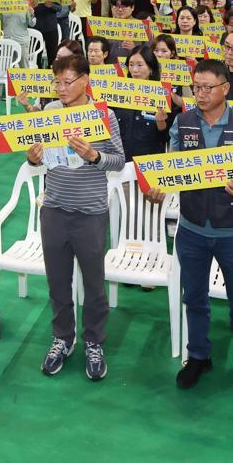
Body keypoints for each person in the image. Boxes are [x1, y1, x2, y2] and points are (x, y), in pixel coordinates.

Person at [154, 57, 233, 398]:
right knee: (195, 298)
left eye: (207, 88)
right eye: (196, 87)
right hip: (191, 228)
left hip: (232, 231)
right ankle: (198, 356)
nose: (200, 94)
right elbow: (171, 167)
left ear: (225, 89)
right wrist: (158, 186)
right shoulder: (183, 122)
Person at [24, 55, 125, 381]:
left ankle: (94, 341)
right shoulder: (50, 113)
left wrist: (93, 155)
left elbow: (119, 161)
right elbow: (38, 157)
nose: (62, 88)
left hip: (90, 212)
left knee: (95, 285)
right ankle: (62, 338)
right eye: (58, 82)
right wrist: (33, 155)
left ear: (85, 81)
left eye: (68, 82)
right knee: (57, 282)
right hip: (53, 209)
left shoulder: (102, 116)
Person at [114, 43, 171, 160]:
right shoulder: (118, 94)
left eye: (140, 65)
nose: (135, 70)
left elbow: (165, 138)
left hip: (148, 163)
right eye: (131, 65)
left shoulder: (161, 94)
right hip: (121, 163)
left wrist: (161, 121)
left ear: (151, 68)